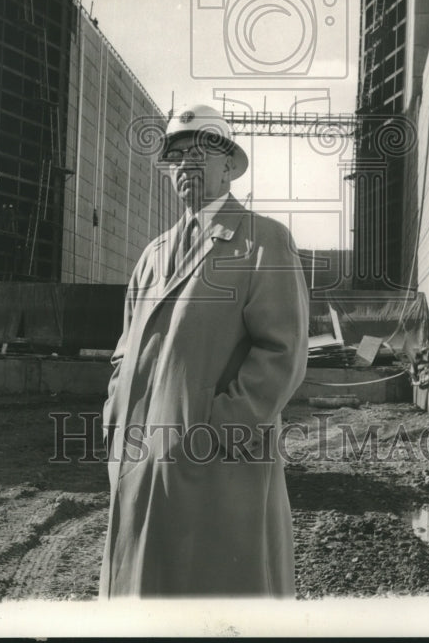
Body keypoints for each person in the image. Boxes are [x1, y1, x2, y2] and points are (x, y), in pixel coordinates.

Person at [99, 103, 309, 598]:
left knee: (217, 600)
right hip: (141, 464)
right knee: (145, 601)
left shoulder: (264, 242)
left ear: (228, 167)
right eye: (177, 155)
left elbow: (283, 353)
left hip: (217, 466)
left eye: (201, 152)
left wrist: (213, 431)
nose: (187, 164)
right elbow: (122, 353)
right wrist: (115, 417)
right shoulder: (153, 255)